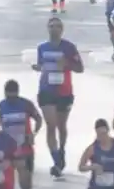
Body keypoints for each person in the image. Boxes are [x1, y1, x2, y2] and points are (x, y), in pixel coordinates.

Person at [33, 15, 84, 177]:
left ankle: (61, 149)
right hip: (46, 90)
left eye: (57, 26)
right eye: (51, 26)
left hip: (64, 91)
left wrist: (67, 64)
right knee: (51, 125)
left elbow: (80, 68)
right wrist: (38, 67)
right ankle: (56, 160)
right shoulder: (42, 48)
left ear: (62, 30)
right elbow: (41, 65)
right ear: (47, 29)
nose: (54, 29)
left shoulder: (69, 47)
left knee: (61, 126)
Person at [0, 81, 43, 189]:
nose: (11, 100)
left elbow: (38, 119)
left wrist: (34, 133)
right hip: (8, 149)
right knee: (6, 179)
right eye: (9, 97)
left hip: (25, 147)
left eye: (14, 97)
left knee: (25, 179)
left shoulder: (26, 105)